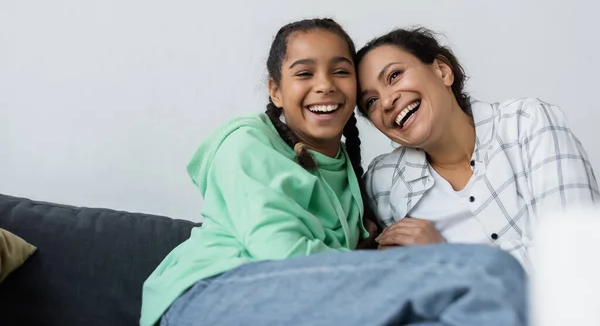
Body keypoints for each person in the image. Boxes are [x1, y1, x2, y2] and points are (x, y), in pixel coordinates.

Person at [140, 19, 528, 326]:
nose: (324, 86)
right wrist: (397, 264)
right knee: (485, 271)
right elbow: (283, 258)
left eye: (340, 72)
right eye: (304, 74)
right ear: (275, 91)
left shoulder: (351, 172)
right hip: (211, 295)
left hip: (295, 304)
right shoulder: (248, 143)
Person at [357, 27, 598, 270]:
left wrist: (448, 258)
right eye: (371, 101)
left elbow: (578, 255)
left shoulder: (527, 124)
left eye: (395, 75)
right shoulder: (381, 182)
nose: (386, 102)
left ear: (442, 71)